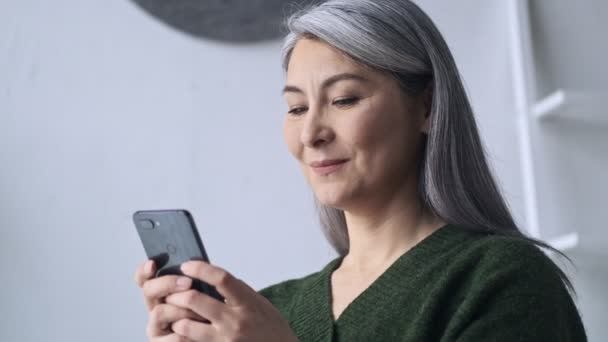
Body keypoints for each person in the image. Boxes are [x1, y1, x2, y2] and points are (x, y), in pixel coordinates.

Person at [134, 0, 588, 341]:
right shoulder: (269, 310)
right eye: (295, 107)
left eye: (344, 99)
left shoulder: (501, 282)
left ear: (426, 106)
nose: (311, 133)